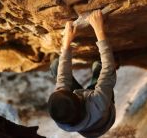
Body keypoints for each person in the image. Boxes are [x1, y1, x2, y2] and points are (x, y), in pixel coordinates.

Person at [48, 10, 116, 138]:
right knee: (100, 66)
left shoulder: (60, 113)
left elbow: (63, 78)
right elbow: (108, 70)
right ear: (81, 99)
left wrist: (66, 43)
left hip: (83, 116)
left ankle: (94, 65)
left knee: (56, 66)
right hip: (104, 116)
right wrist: (99, 29)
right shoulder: (98, 104)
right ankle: (101, 63)